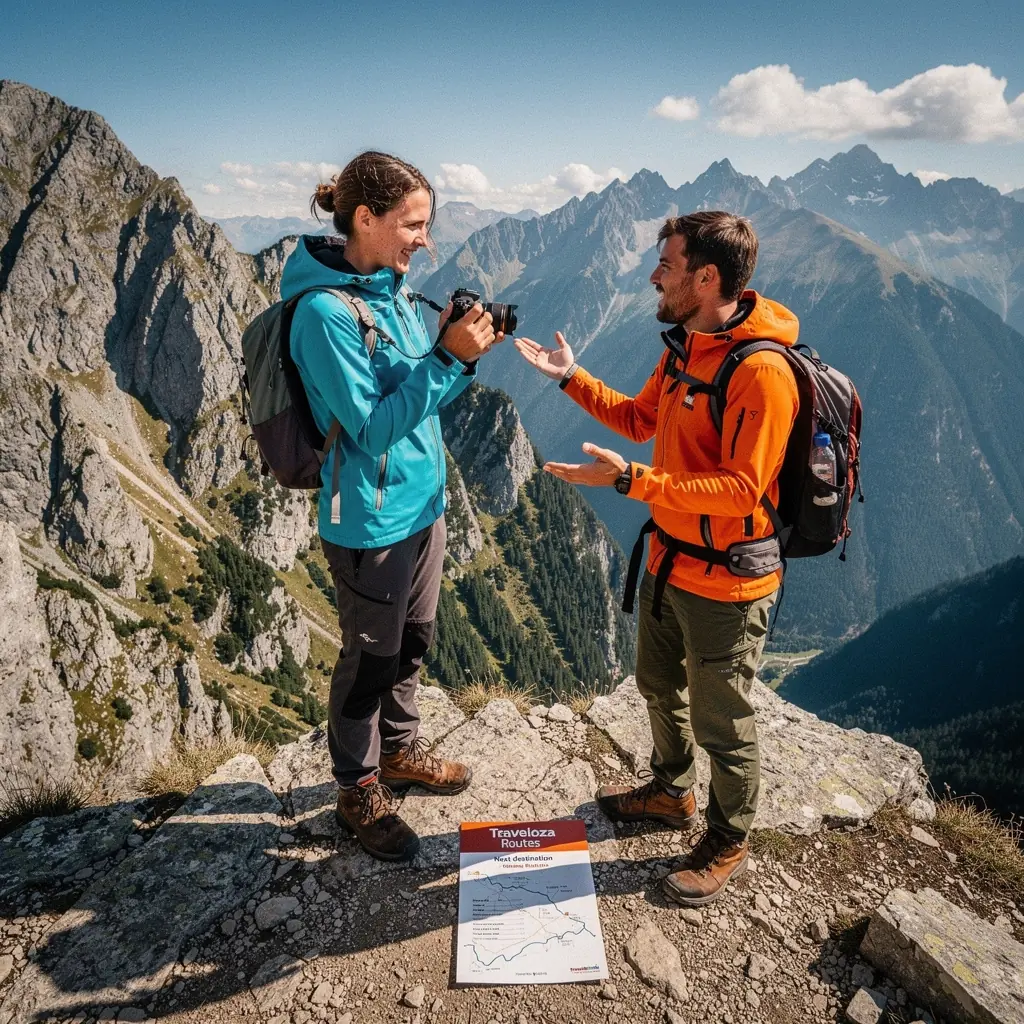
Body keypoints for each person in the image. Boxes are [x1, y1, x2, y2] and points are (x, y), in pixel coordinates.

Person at [514, 211, 799, 905]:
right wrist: (571, 377)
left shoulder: (761, 372)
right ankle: (672, 793)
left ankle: (728, 841)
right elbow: (642, 419)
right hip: (670, 561)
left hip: (728, 583)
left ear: (706, 278)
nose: (652, 276)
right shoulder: (685, 348)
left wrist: (632, 482)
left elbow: (739, 492)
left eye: (666, 266)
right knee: (657, 685)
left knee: (723, 722)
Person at [280, 151, 501, 862]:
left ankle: (400, 752)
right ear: (365, 218)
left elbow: (418, 398)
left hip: (422, 506)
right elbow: (373, 428)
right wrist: (448, 360)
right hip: (370, 522)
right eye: (414, 225)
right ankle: (357, 789)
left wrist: (457, 352)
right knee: (370, 661)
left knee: (412, 645)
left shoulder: (392, 290)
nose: (425, 241)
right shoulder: (324, 314)